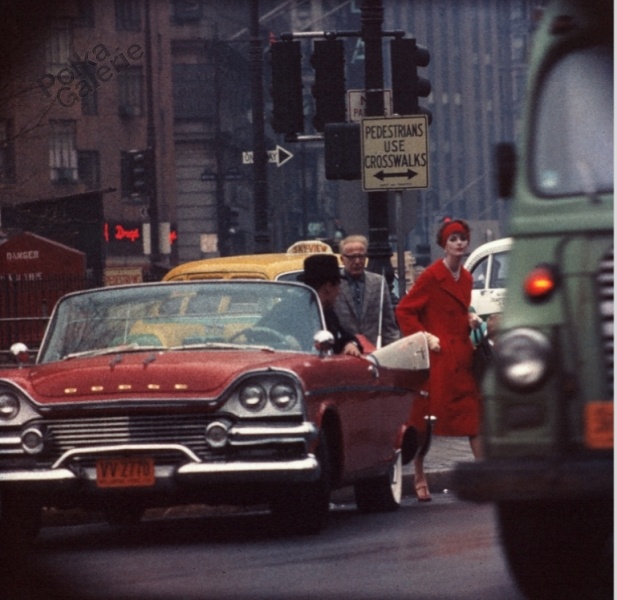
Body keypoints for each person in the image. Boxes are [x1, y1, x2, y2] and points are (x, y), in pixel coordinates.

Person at [395, 219, 483, 502]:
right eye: (453, 239)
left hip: (463, 357)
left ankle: (483, 474)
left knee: (474, 418)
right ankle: (419, 473)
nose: (459, 243)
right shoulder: (432, 276)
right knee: (427, 422)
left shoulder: (467, 278)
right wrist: (424, 337)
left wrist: (470, 318)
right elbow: (405, 311)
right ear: (444, 244)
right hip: (439, 359)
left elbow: (458, 308)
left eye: (462, 239)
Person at [335, 235, 400, 350]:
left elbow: (388, 324)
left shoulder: (378, 282)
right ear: (342, 259)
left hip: (374, 351)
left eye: (361, 256)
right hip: (344, 352)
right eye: (351, 257)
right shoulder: (334, 283)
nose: (357, 261)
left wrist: (395, 350)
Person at [301, 253, 363, 357]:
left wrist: (350, 344)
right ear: (328, 287)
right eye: (338, 285)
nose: (339, 291)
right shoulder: (290, 311)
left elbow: (345, 336)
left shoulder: (328, 313)